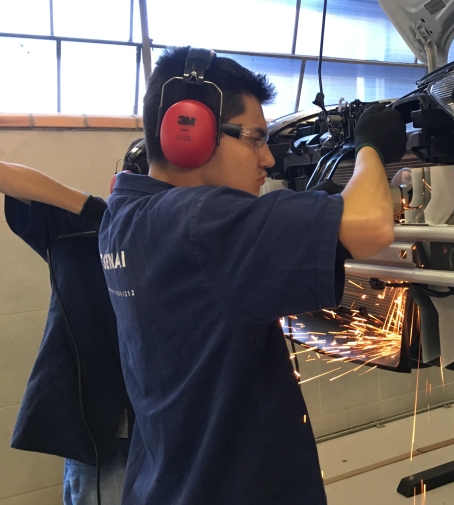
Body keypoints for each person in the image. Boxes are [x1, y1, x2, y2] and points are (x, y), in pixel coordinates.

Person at [99, 46, 406, 505]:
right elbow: (373, 226)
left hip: (164, 484)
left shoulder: (122, 212)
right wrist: (371, 147)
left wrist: (313, 215)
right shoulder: (202, 224)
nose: (268, 161)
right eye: (255, 139)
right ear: (190, 131)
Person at [1, 139, 148, 505]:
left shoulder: (188, 240)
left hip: (163, 426)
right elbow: (6, 176)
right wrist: (90, 208)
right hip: (104, 431)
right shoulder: (87, 229)